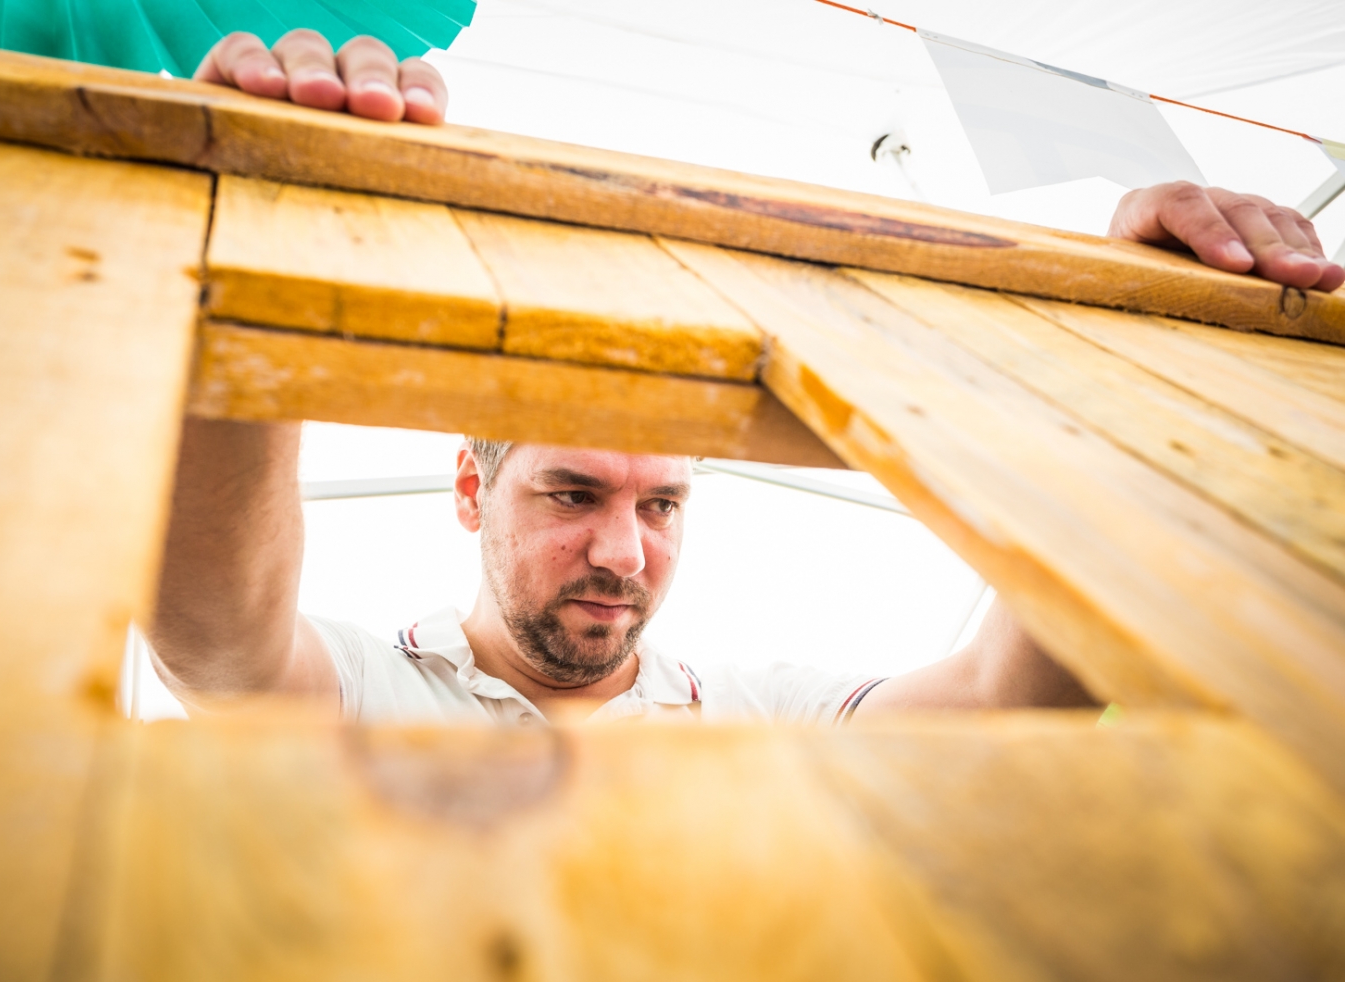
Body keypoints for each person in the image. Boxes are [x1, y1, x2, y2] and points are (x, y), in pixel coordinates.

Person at [149, 30, 1345, 725]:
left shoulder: (758, 716)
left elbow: (1007, 700)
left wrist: (1144, 347)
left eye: (663, 503)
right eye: (573, 493)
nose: (626, 552)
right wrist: (255, 235)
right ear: (471, 487)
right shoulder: (368, 685)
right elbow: (216, 637)